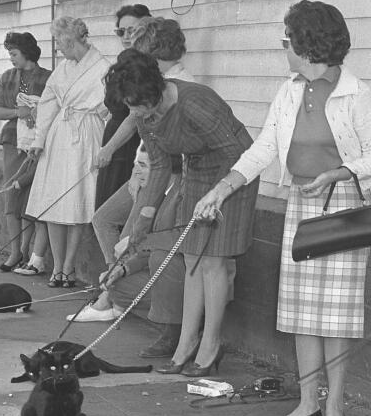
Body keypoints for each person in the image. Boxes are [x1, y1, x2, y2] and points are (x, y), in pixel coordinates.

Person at [194, 1, 371, 416]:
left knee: (336, 313)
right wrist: (222, 188)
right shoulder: (288, 91)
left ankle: (335, 406)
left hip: (345, 208)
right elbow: (264, 147)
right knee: (303, 311)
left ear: (307, 43)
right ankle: (307, 403)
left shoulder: (357, 94)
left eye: (287, 39)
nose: (284, 47)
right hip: (302, 205)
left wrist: (339, 173)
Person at [110, 49, 259, 376]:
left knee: (214, 261)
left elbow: (238, 153)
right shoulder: (145, 115)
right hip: (196, 172)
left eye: (135, 103)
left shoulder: (194, 103)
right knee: (192, 258)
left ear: (153, 91)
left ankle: (211, 345)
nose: (132, 110)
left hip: (233, 175)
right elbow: (161, 165)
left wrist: (218, 193)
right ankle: (186, 344)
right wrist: (142, 221)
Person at [70, 17, 195, 360]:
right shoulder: (156, 83)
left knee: (135, 242)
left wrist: (153, 179)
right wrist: (110, 150)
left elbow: (174, 147)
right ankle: (115, 290)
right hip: (143, 169)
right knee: (104, 219)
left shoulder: (179, 86)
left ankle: (119, 297)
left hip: (162, 179)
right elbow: (135, 120)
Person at [24, 16, 111, 288]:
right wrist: (38, 140)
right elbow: (48, 104)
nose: (57, 46)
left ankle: (69, 267)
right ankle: (57, 265)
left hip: (86, 134)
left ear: (71, 39)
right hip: (59, 135)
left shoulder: (103, 66)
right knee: (53, 200)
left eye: (59, 40)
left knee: (76, 200)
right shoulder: (61, 69)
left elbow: (111, 107)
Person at [0, 32, 52, 271]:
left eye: (14, 54)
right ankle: (15, 251)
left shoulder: (48, 78)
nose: (11, 59)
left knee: (31, 197)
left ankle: (26, 251)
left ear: (27, 52)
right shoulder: (7, 77)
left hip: (39, 142)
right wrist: (18, 112)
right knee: (11, 194)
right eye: (9, 54)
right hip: (12, 141)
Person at [97, 4, 151, 209]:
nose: (126, 36)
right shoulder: (123, 60)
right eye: (121, 31)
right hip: (114, 134)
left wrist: (109, 148)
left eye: (132, 30)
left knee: (118, 208)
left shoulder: (144, 64)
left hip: (130, 141)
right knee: (105, 201)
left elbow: (134, 115)